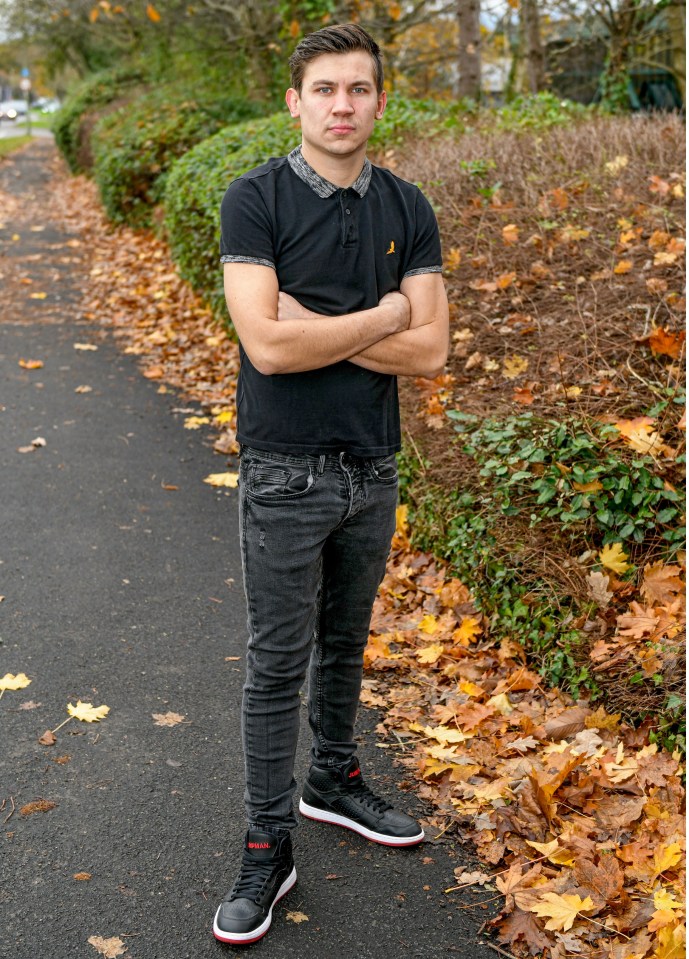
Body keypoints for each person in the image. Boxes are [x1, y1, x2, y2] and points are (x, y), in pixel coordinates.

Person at [213, 22, 449, 946]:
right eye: (325, 90)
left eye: (358, 89)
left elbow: (430, 352)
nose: (342, 105)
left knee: (346, 642)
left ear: (378, 101)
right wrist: (386, 313)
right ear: (295, 101)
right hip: (282, 468)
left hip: (372, 464)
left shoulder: (407, 204)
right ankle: (267, 842)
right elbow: (265, 346)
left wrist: (332, 320)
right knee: (278, 662)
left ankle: (332, 780)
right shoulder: (255, 199)